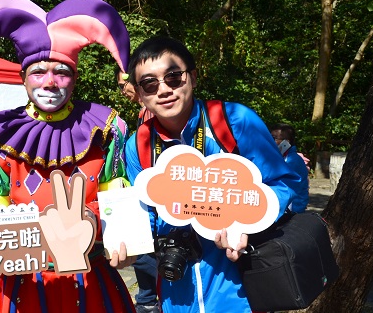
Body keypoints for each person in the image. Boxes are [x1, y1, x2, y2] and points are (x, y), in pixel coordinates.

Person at [0, 0, 136, 312]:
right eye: (38, 72)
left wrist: (115, 234)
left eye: (61, 72)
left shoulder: (106, 130)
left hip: (90, 281)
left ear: (75, 78)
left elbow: (117, 195)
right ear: (22, 77)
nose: (50, 82)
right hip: (24, 282)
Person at [124, 36, 299, 313]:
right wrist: (126, 243)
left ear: (193, 77)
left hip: (241, 291)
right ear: (139, 93)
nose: (164, 90)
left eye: (173, 77)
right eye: (150, 83)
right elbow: (145, 215)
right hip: (176, 294)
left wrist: (248, 221)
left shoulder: (235, 122)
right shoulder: (138, 145)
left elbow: (284, 183)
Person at [115, 68, 160, 313]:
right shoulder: (143, 114)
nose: (122, 90)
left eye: (124, 85)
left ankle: (148, 299)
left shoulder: (155, 111)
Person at [270, 123, 310, 213]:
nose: (270, 141)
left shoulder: (293, 161)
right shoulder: (280, 158)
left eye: (274, 138)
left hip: (291, 210)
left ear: (286, 142)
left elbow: (283, 189)